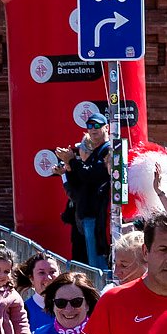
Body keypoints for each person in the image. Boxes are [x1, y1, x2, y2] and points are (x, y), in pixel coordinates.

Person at [56, 112, 113, 270]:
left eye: (97, 125)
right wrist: (68, 167)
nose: (93, 129)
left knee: (99, 261)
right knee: (93, 261)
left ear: (106, 128)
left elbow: (91, 175)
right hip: (89, 214)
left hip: (98, 214)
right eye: (89, 126)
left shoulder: (107, 150)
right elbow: (80, 184)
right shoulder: (97, 152)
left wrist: (71, 161)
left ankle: (104, 284)